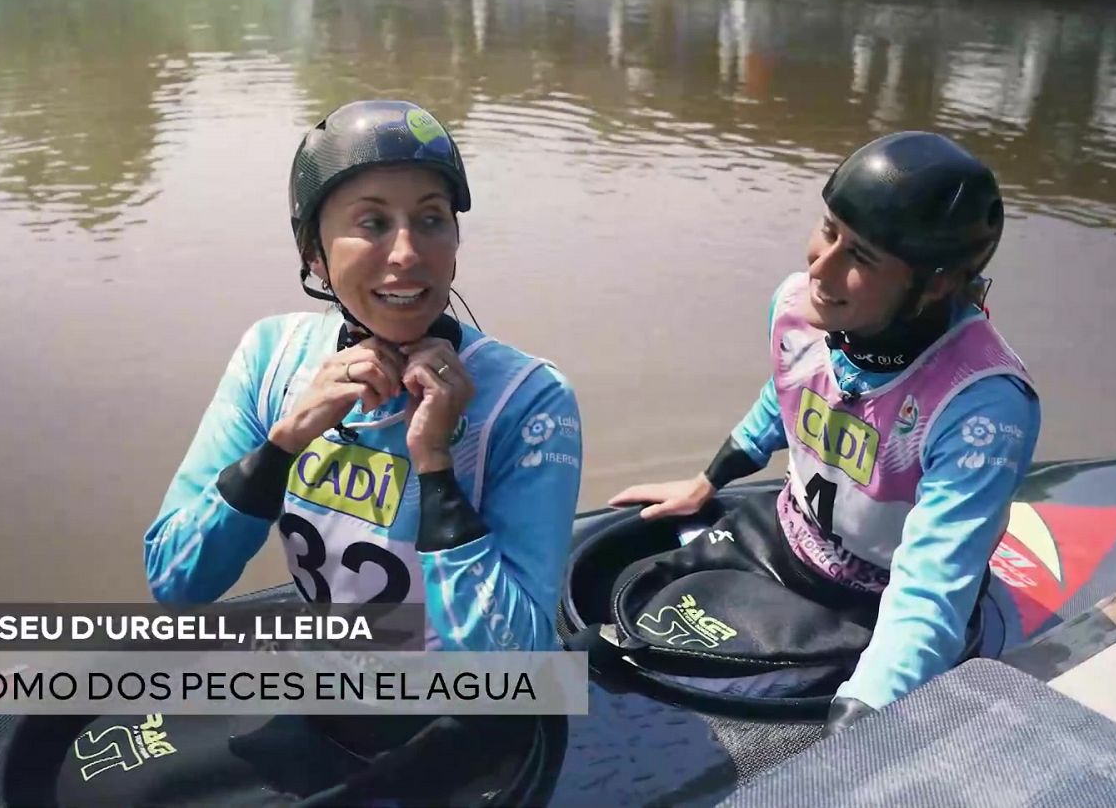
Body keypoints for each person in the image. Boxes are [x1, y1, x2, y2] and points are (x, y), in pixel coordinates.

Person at [608, 131, 1041, 734]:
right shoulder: (804, 307)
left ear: (937, 283)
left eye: (859, 256)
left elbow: (932, 588)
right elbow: (788, 393)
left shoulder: (983, 409)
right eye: (829, 230)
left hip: (876, 601)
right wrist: (707, 482)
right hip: (781, 538)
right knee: (614, 633)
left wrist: (864, 713)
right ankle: (478, 693)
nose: (820, 266)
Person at [145, 99, 582, 653]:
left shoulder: (528, 400)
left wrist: (437, 469)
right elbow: (176, 583)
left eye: (430, 220)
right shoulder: (271, 356)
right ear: (315, 255)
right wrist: (283, 444)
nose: (406, 253)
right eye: (372, 223)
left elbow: (518, 666)